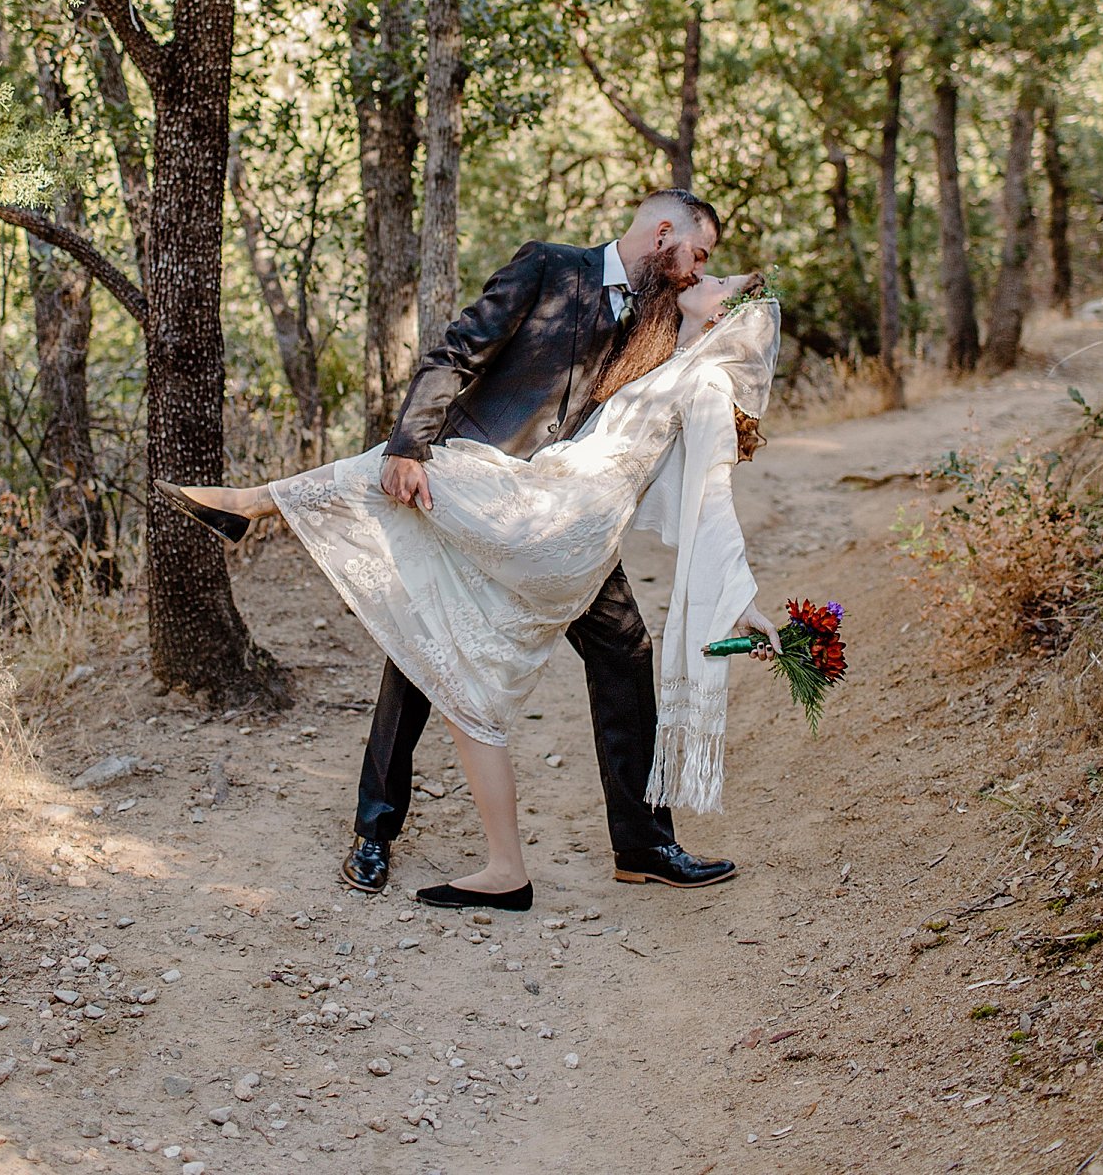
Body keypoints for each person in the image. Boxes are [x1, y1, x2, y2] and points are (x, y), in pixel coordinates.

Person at [157, 270, 782, 913]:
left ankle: (249, 505)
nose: (702, 272)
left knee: (404, 468)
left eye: (717, 275)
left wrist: (740, 600)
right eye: (704, 261)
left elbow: (712, 501)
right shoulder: (636, 330)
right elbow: (471, 357)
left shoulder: (705, 381)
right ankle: (503, 868)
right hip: (549, 507)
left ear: (726, 315)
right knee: (457, 660)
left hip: (554, 521)